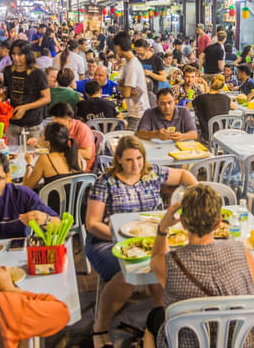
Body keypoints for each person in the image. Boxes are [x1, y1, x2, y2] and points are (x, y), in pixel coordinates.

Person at [85, 136, 197, 348]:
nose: (135, 165)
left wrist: (196, 192)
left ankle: (166, 319)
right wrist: (119, 237)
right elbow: (92, 224)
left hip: (150, 239)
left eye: (139, 158)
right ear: (118, 160)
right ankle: (99, 327)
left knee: (163, 267)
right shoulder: (105, 182)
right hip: (108, 241)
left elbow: (183, 174)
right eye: (128, 160)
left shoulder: (151, 173)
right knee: (127, 278)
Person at [147, 184, 254, 348]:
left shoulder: (170, 262)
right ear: (219, 222)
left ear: (182, 223)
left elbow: (154, 258)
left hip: (187, 343)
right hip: (241, 342)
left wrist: (163, 228)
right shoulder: (241, 250)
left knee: (154, 316)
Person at [3, 40, 51, 144]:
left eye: (20, 54)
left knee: (31, 157)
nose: (16, 58)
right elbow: (7, 92)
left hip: (32, 124)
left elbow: (47, 98)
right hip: (12, 122)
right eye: (13, 54)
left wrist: (25, 107)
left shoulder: (37, 73)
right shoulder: (8, 71)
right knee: (10, 156)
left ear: (27, 55)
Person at [38, 103, 96, 172]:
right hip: (63, 162)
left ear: (68, 120)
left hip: (80, 168)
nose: (56, 126)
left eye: (57, 123)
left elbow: (87, 154)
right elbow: (45, 143)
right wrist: (38, 141)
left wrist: (62, 152)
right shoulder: (59, 129)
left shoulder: (82, 129)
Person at [23, 122, 82, 189]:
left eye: (41, 136)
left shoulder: (45, 159)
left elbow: (26, 188)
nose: (38, 138)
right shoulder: (77, 156)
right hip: (78, 199)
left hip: (52, 199)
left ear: (47, 143)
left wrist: (29, 164)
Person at [114, 31, 149, 132]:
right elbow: (121, 83)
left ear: (118, 47)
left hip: (138, 113)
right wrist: (122, 85)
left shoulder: (132, 65)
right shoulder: (127, 63)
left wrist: (121, 87)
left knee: (130, 141)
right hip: (134, 111)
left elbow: (126, 93)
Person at [192, 75, 237, 143]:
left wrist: (205, 84)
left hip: (207, 136)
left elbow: (187, 106)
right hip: (223, 136)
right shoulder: (226, 98)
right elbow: (234, 107)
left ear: (210, 85)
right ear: (220, 89)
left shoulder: (201, 98)